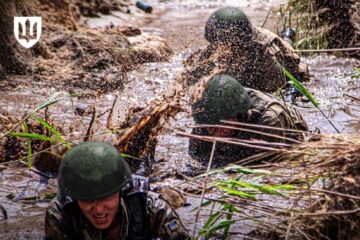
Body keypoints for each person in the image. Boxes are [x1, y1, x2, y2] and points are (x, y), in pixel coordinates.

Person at [45, 141, 190, 240]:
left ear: (121, 190)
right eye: (88, 200)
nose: (99, 210)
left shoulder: (152, 209)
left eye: (105, 198)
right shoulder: (61, 215)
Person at [182, 7, 309, 93]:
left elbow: (276, 88)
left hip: (282, 57)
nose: (220, 48)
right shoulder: (218, 45)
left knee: (291, 55)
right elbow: (192, 75)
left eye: (226, 43)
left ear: (239, 42)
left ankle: (287, 36)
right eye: (217, 42)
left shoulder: (265, 51)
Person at [189, 74, 308, 164]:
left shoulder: (268, 120)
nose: (217, 134)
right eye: (211, 128)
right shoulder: (205, 119)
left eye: (222, 124)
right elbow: (196, 158)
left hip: (288, 134)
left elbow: (266, 168)